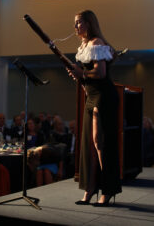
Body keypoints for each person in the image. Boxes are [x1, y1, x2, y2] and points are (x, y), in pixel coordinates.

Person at [67, 10, 122, 206]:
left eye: (79, 23)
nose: (76, 27)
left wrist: (81, 72)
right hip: (91, 97)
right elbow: (86, 77)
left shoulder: (97, 43)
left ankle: (107, 190)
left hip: (104, 97)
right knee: (89, 146)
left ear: (89, 24)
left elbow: (100, 73)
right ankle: (90, 189)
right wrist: (79, 75)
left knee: (100, 144)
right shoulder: (83, 46)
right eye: (75, 23)